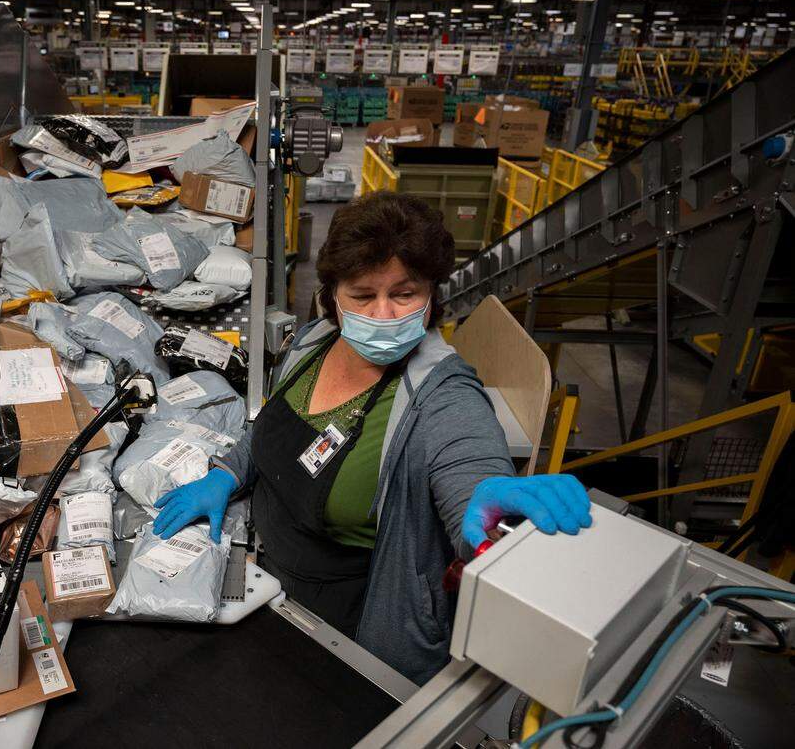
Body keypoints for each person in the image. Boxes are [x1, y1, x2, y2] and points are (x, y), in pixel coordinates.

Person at [152, 192, 591, 685]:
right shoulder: (312, 343)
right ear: (333, 296)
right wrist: (227, 473)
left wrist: (488, 506)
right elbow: (270, 431)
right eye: (363, 295)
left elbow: (466, 460)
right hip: (261, 581)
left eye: (405, 294)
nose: (383, 314)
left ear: (433, 293)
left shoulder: (442, 397)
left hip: (347, 631)